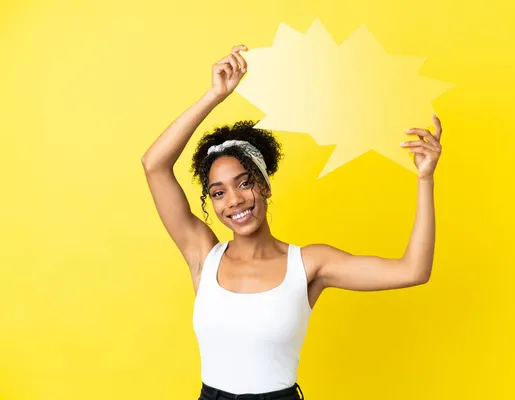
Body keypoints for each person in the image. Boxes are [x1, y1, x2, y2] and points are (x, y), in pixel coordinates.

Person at [141, 45, 443, 400]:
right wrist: (214, 96)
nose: (234, 200)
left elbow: (413, 271)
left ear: (265, 186)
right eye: (218, 192)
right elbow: (154, 166)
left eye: (244, 182)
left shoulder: (309, 264)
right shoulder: (203, 255)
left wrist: (425, 180)